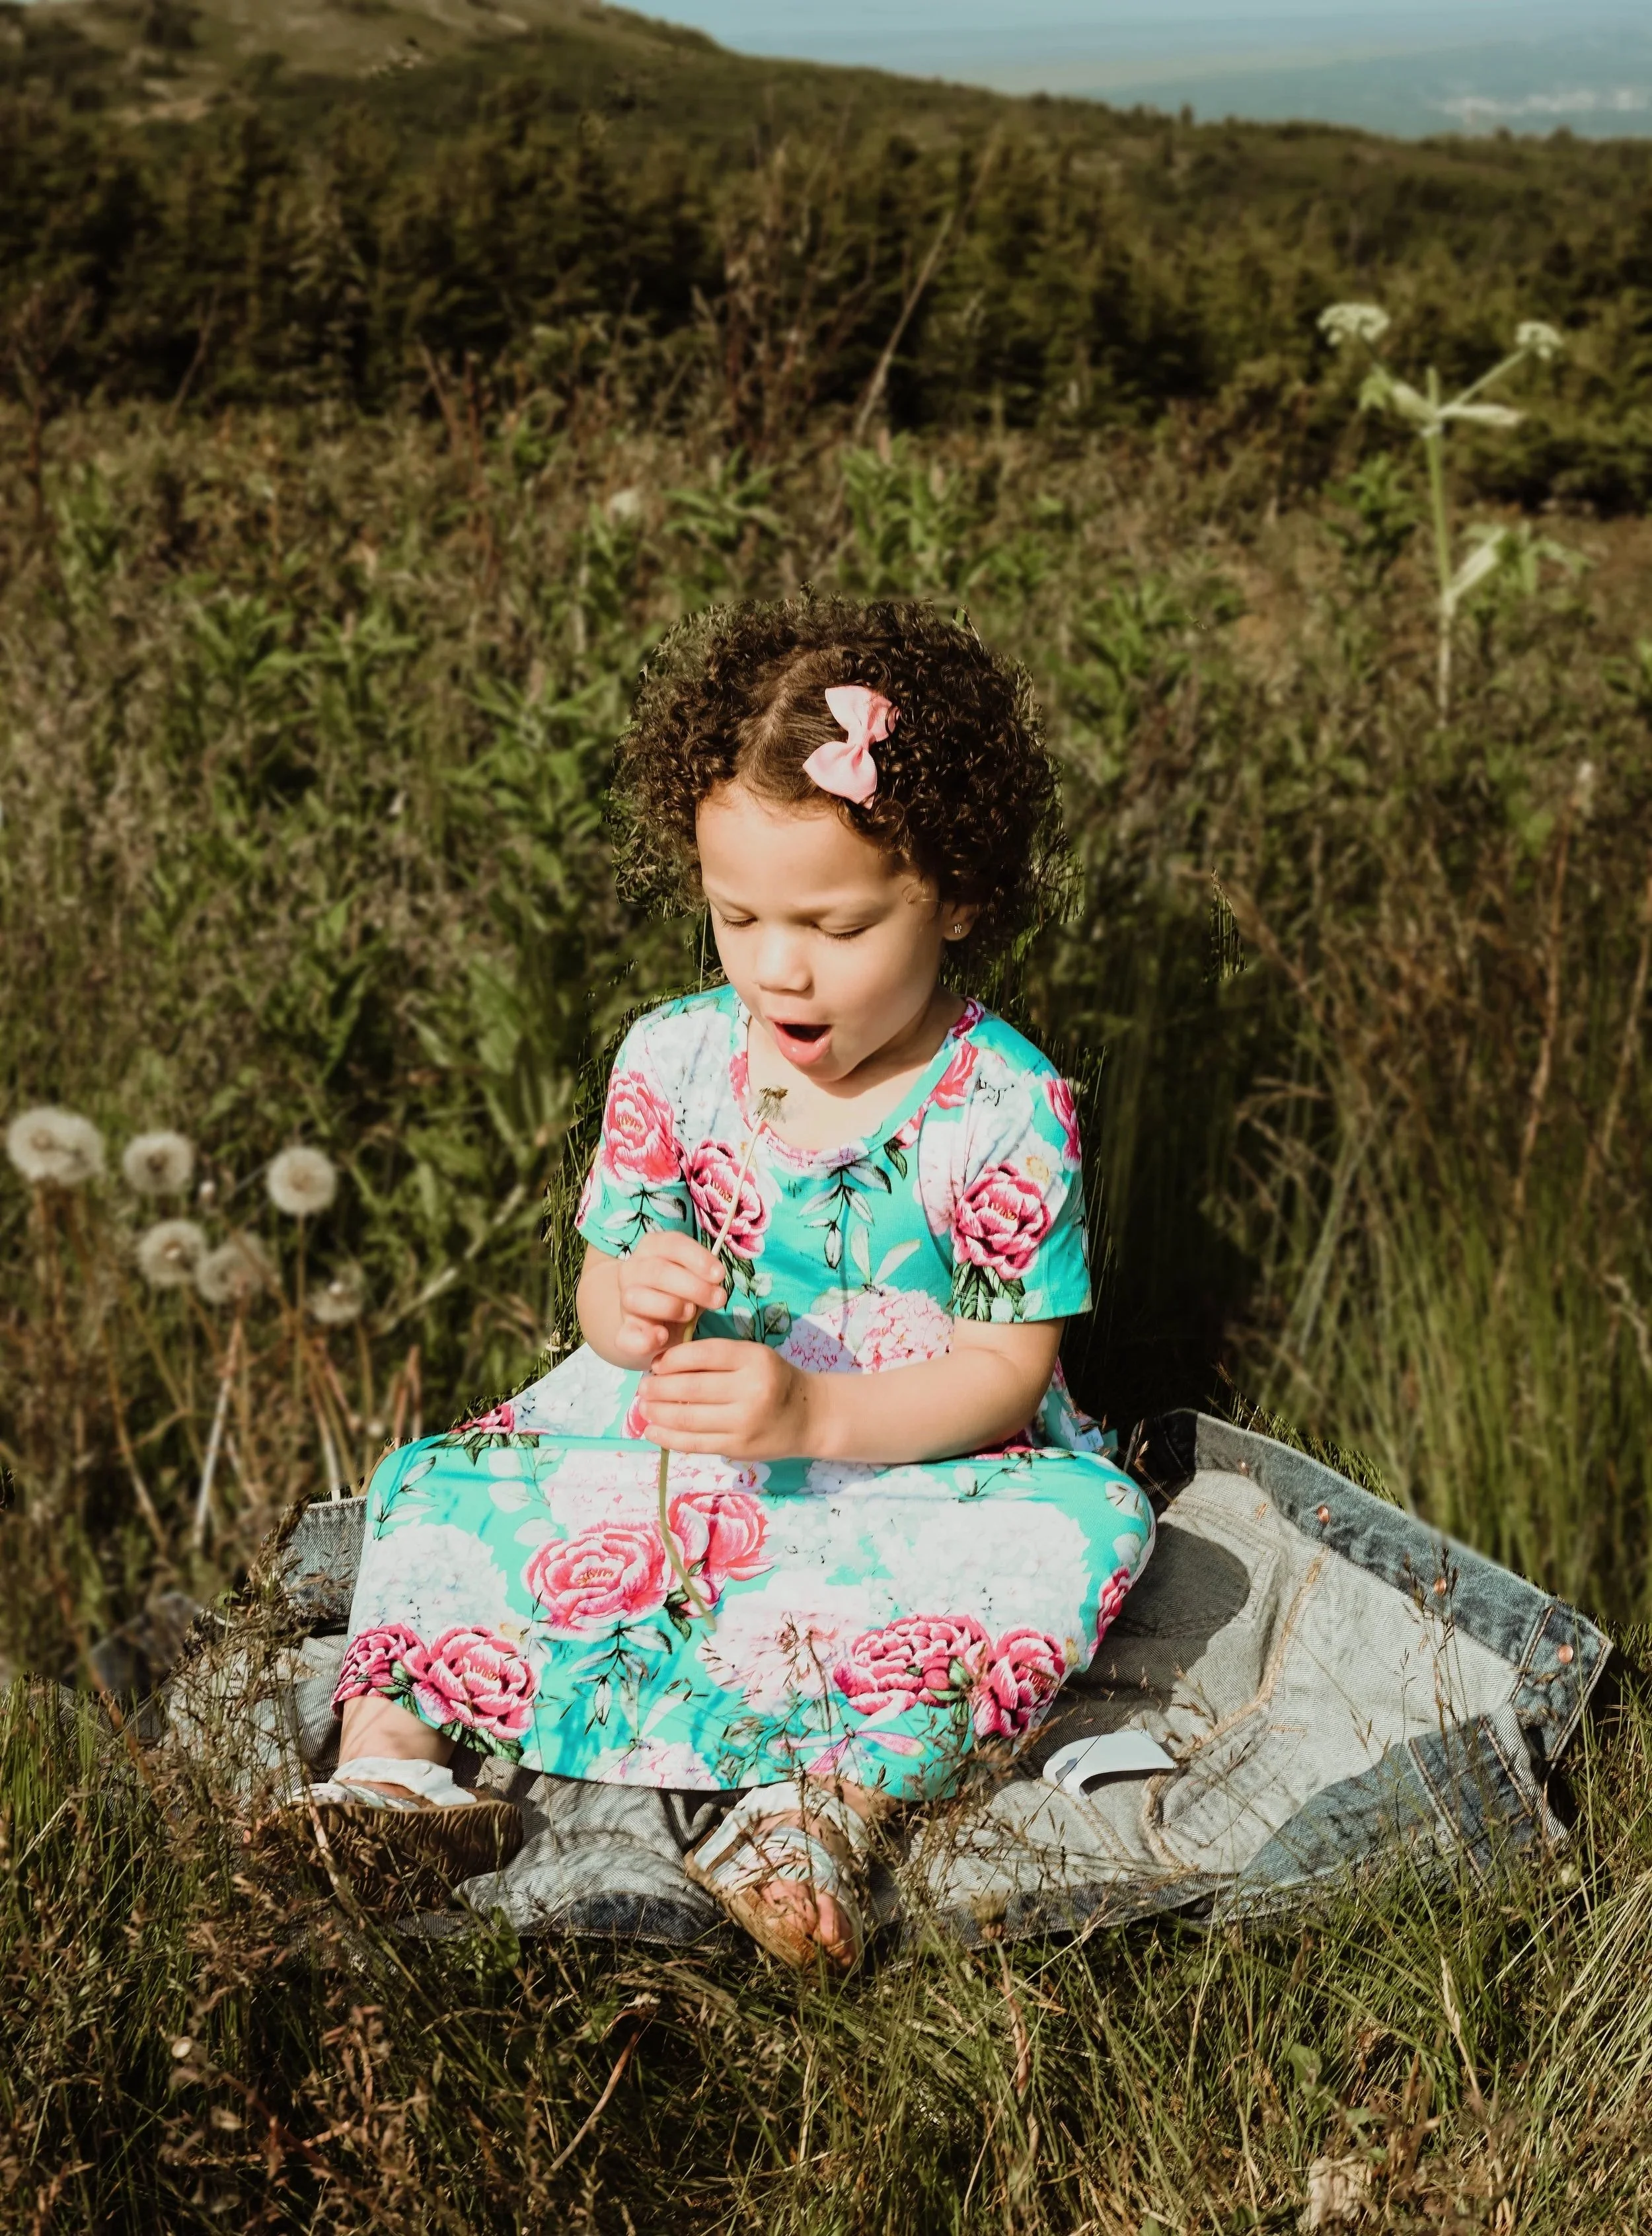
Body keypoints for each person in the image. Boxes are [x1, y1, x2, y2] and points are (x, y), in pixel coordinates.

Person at [278, 595, 1156, 1969]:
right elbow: (600, 1290)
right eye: (734, 916)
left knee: (1087, 1531)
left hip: (908, 1456)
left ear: (958, 899)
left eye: (836, 926)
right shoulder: (676, 1059)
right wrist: (626, 1306)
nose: (775, 966)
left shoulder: (1004, 1102)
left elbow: (1008, 1368)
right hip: (679, 1445)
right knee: (430, 1489)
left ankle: (815, 1811)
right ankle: (395, 1778)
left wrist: (814, 1422)